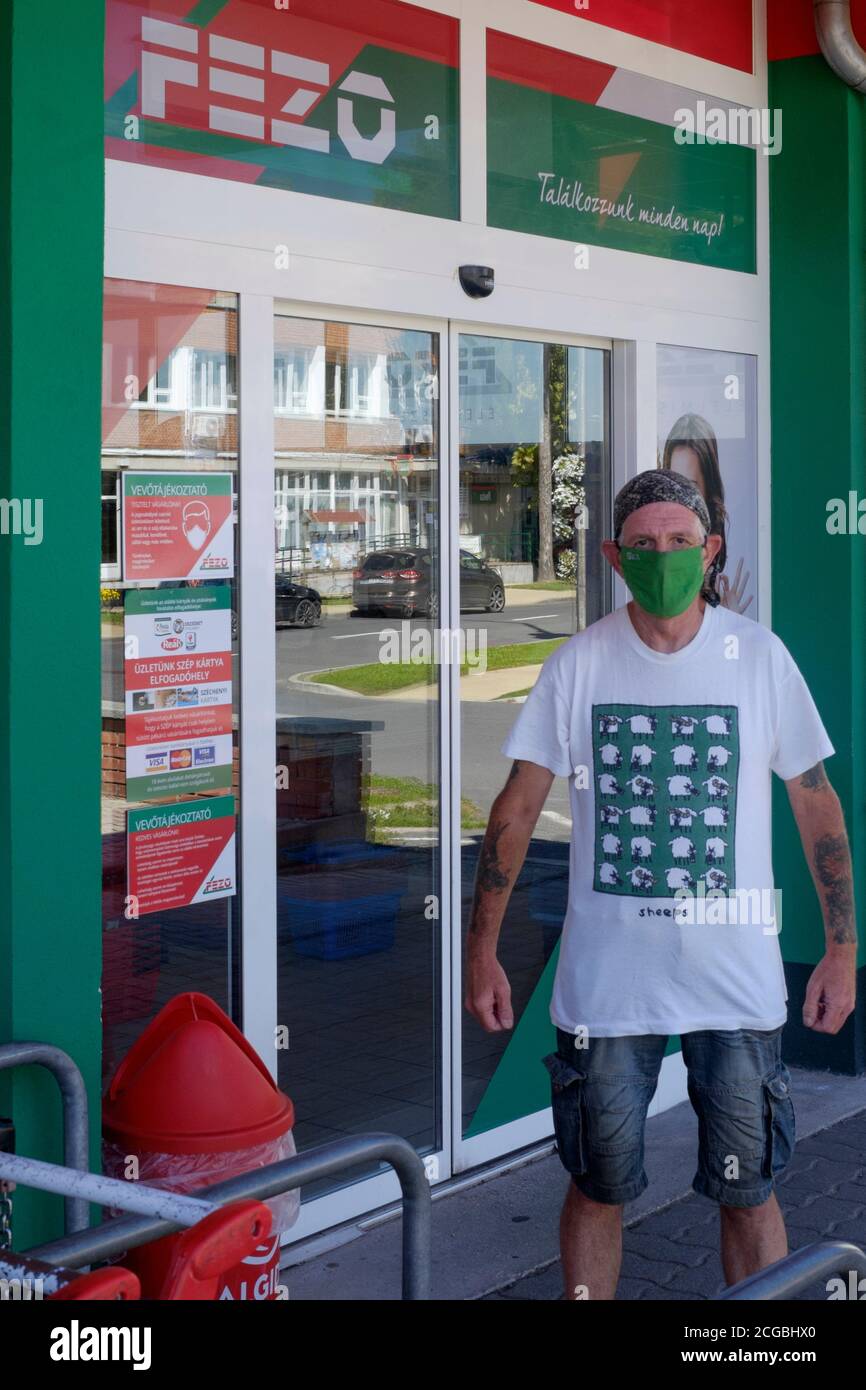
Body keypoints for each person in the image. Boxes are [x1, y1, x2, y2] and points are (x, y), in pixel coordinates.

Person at [464, 469, 856, 1300]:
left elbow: (817, 808)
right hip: (610, 996)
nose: (664, 556)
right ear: (613, 556)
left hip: (737, 991)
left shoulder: (760, 658)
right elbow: (516, 810)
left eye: (682, 540)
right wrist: (482, 949)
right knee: (599, 1188)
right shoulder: (579, 665)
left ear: (710, 548)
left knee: (749, 1195)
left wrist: (841, 952)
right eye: (644, 544)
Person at [662, 412, 753, 615]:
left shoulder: (729, 552)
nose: (680, 496)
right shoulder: (653, 543)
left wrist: (728, 620)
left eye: (691, 487)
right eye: (675, 483)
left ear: (707, 489)